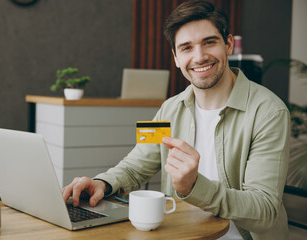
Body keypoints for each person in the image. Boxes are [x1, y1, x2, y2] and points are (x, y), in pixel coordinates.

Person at [62, 1, 290, 239]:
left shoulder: (269, 112)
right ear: (176, 58)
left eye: (209, 42)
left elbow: (265, 210)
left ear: (229, 45)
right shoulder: (168, 108)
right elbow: (134, 167)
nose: (199, 57)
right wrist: (102, 183)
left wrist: (194, 188)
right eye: (186, 47)